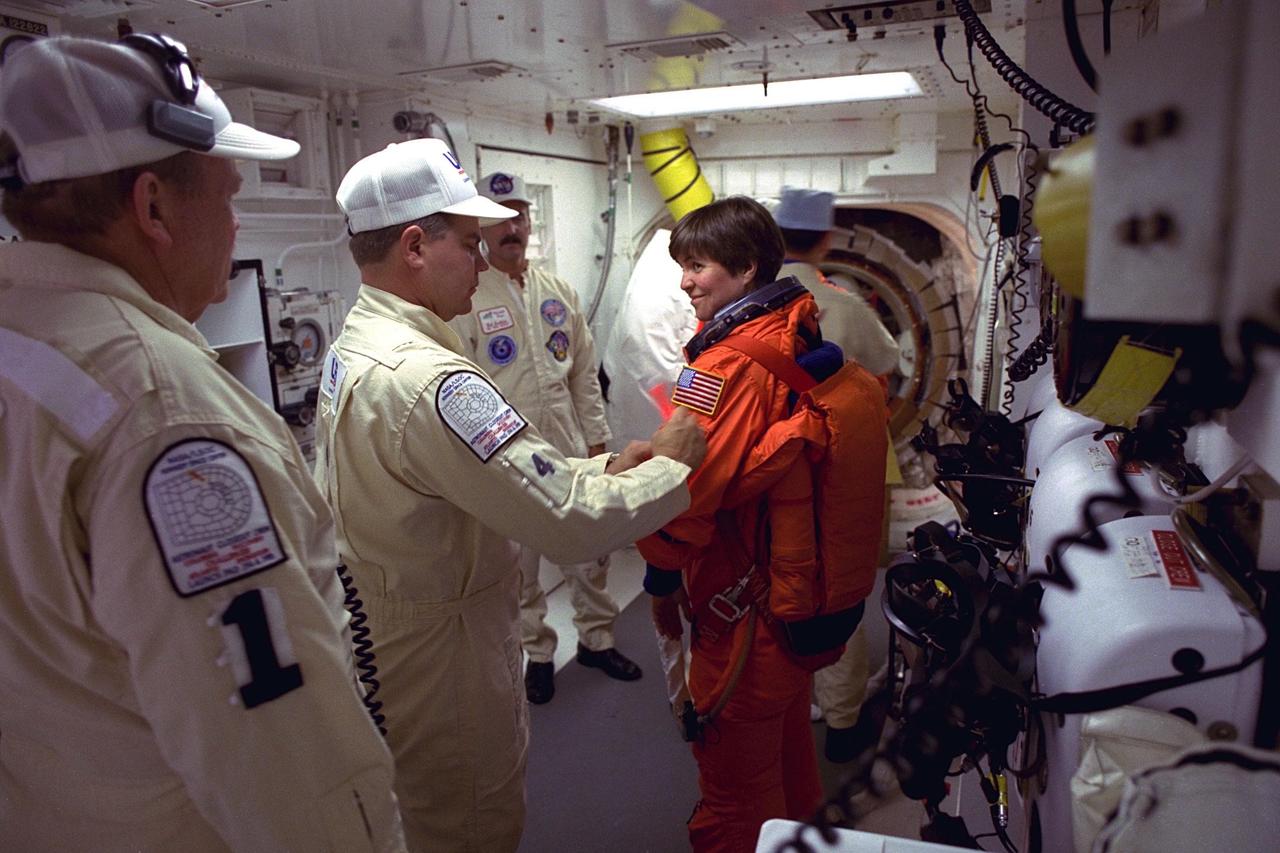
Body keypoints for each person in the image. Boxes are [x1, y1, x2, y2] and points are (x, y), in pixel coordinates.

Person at [0, 36, 404, 851]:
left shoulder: (25, 347)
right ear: (152, 207)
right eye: (227, 193)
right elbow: (286, 759)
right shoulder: (164, 411)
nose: (237, 220)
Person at [314, 138, 707, 853]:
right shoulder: (428, 381)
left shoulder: (358, 345)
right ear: (413, 245)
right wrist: (671, 467)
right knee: (471, 819)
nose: (483, 256)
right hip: (446, 655)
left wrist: (608, 464)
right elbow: (569, 524)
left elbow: (512, 475)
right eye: (468, 241)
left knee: (426, 812)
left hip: (392, 629)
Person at [640, 196, 885, 852]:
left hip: (742, 613)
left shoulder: (722, 367)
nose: (686, 281)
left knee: (733, 792)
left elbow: (682, 494)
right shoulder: (796, 326)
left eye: (698, 266)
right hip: (785, 597)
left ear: (746, 269)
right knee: (787, 762)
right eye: (681, 266)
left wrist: (659, 576)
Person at [449, 170, 642, 705]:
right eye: (501, 217)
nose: (513, 225)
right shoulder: (467, 298)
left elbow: (583, 372)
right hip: (507, 458)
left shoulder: (558, 293)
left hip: (568, 451)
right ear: (483, 229)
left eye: (521, 214)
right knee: (519, 570)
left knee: (589, 555)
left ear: (530, 222)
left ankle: (598, 641)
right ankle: (537, 653)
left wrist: (599, 443)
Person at [774, 186, 900, 764]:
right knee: (840, 587)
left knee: (781, 584)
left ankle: (789, 705)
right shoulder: (844, 304)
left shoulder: (753, 306)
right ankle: (844, 720)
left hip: (775, 472)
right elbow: (887, 371)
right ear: (826, 238)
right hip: (844, 473)